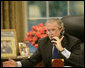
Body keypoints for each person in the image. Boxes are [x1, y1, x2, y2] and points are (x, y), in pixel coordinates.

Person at [2, 18, 83, 67]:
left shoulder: (73, 41)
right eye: (48, 30)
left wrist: (62, 49)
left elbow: (80, 62)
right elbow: (32, 61)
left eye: (53, 30)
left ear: (61, 30)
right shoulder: (43, 42)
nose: (50, 33)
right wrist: (17, 64)